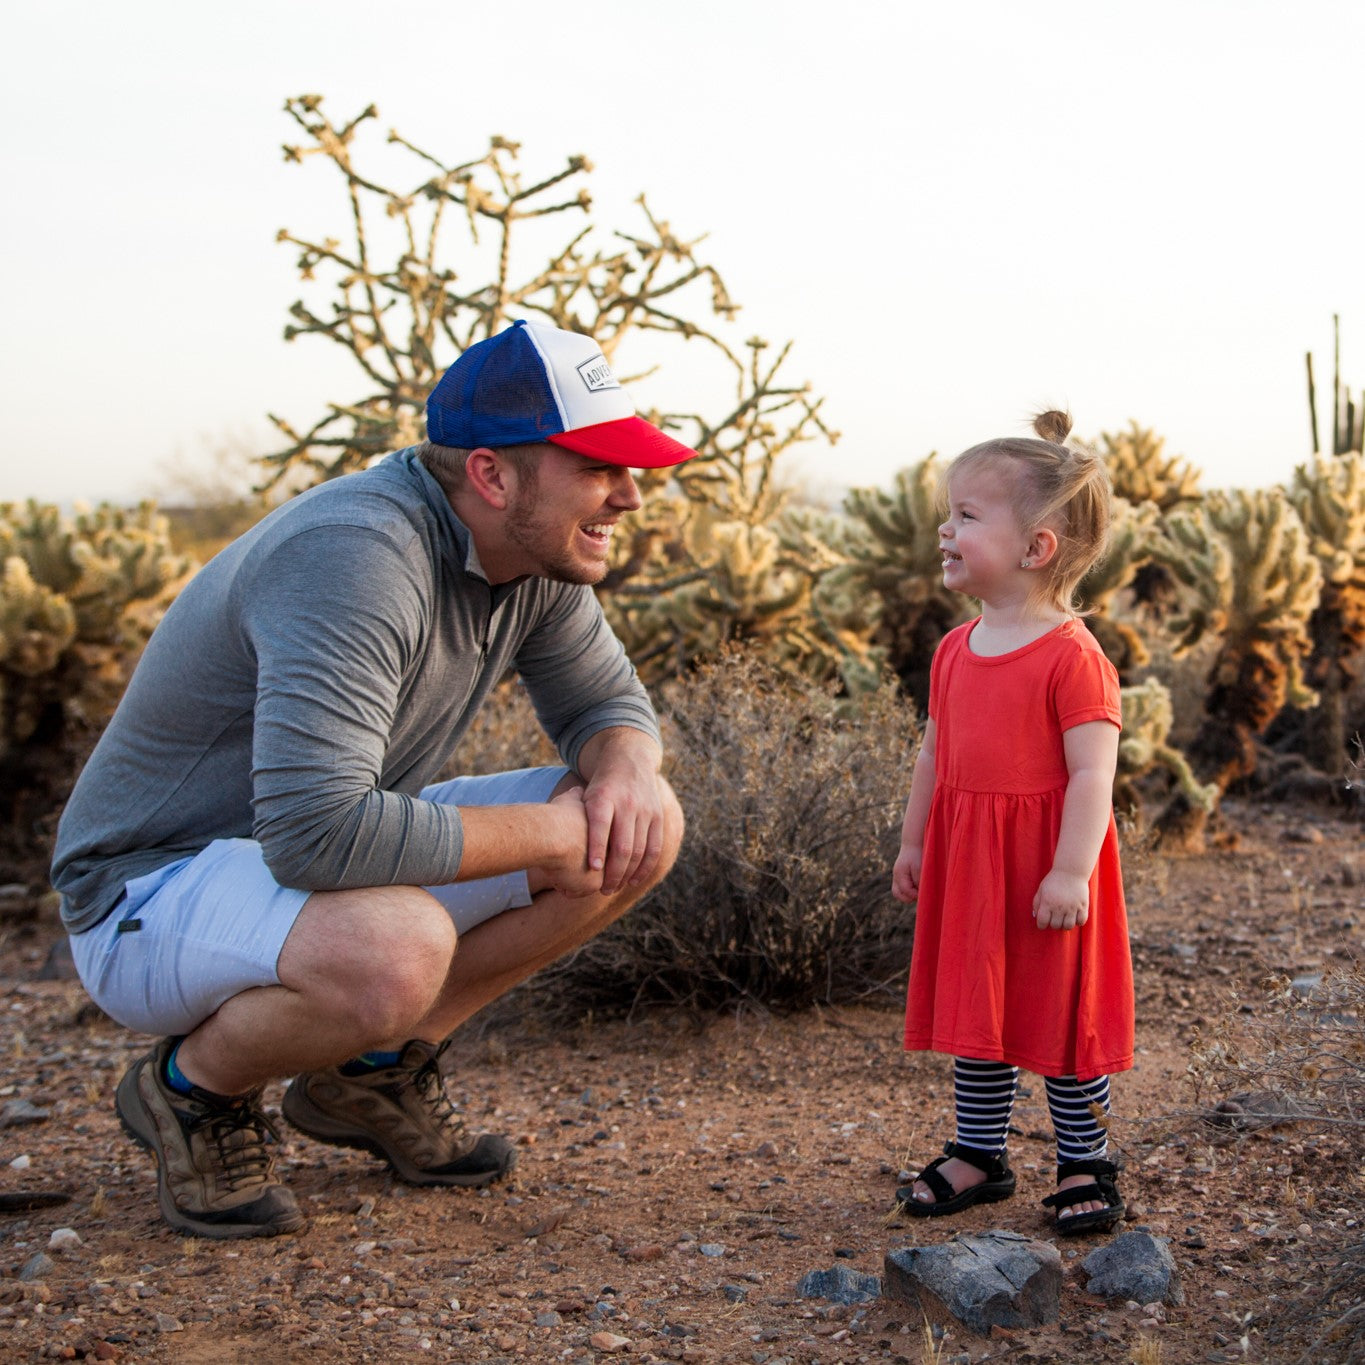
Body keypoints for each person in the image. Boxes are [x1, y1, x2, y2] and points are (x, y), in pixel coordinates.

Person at [51, 319, 690, 1240]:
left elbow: (608, 709)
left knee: (643, 824)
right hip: (148, 889)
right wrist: (558, 833)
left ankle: (373, 1067)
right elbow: (317, 833)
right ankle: (190, 1091)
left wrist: (625, 769)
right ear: (491, 474)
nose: (629, 495)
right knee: (398, 943)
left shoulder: (536, 554)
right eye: (597, 466)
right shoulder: (356, 553)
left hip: (302, 859)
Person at [890, 410, 1133, 1236]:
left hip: (1043, 868)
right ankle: (979, 1150)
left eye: (965, 515)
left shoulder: (1071, 656)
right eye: (946, 512)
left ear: (1036, 548)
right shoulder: (956, 648)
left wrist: (1071, 871)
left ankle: (1083, 1156)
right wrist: (915, 840)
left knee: (1060, 1018)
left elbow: (1091, 773)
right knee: (979, 1008)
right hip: (972, 862)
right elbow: (934, 751)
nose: (943, 528)